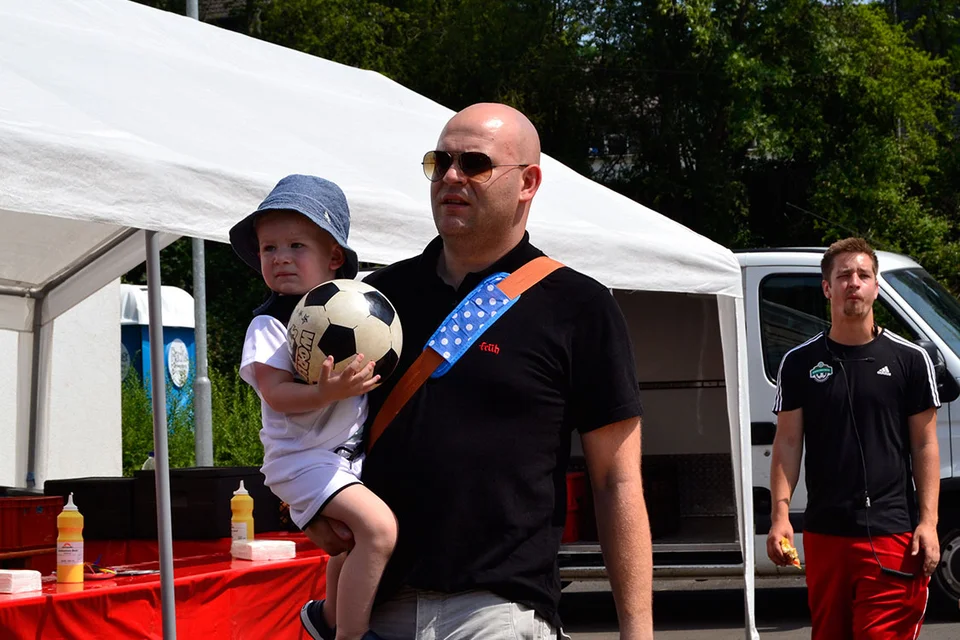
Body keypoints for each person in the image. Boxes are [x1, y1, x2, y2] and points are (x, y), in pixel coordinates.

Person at [299, 103, 653, 639]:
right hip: (372, 607)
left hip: (498, 610)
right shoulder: (372, 301)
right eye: (439, 162)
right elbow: (311, 424)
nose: (451, 177)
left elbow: (617, 480)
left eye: (474, 163)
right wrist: (303, 505)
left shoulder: (578, 305)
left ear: (528, 182)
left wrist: (638, 632)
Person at [230, 174, 397, 640]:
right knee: (380, 531)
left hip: (340, 455)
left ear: (334, 258)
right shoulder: (269, 321)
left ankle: (325, 620)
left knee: (347, 545)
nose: (280, 258)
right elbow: (275, 392)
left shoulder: (356, 307)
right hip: (299, 459)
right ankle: (350, 635)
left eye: (296, 246)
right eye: (269, 249)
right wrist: (327, 392)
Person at [767, 237, 941, 639]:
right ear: (827, 288)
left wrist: (929, 522)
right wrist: (780, 517)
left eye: (863, 275)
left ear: (876, 287)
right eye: (843, 275)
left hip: (892, 534)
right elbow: (788, 444)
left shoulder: (910, 360)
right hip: (825, 535)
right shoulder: (799, 363)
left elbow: (925, 445)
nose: (854, 283)